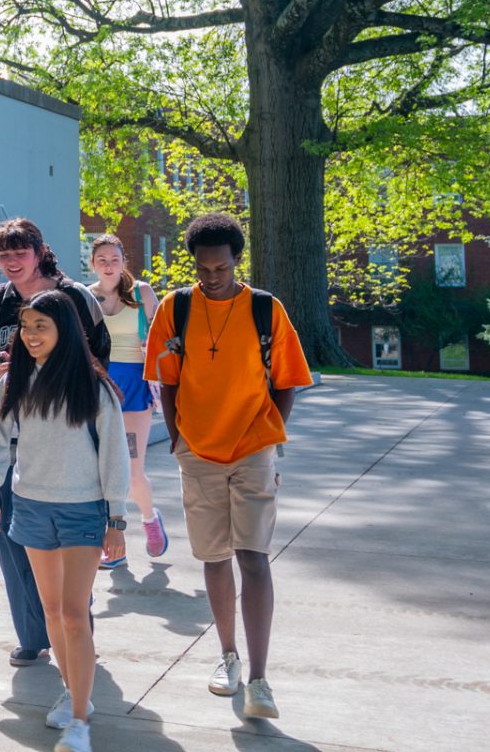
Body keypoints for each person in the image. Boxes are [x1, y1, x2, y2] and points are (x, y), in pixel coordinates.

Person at [146, 213, 313, 722]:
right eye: (203, 268)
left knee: (253, 556)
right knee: (214, 557)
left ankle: (259, 679)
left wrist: (267, 431)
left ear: (237, 260)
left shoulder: (266, 309)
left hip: (253, 449)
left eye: (220, 268)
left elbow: (287, 379)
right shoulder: (176, 308)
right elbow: (167, 380)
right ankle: (228, 657)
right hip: (197, 451)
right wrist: (178, 437)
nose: (212, 276)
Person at [0, 290, 129, 752]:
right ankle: (73, 690)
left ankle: (79, 721)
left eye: (41, 326)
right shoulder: (15, 381)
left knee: (74, 613)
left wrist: (117, 518)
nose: (31, 335)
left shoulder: (93, 386)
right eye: (26, 327)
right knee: (52, 612)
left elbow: (114, 454)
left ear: (65, 330)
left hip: (83, 510)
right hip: (30, 506)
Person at [0, 218, 110, 667]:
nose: (11, 262)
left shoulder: (75, 298)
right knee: (11, 542)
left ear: (40, 252)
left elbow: (101, 358)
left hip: (67, 444)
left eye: (20, 252)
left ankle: (77, 630)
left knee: (69, 545)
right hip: (6, 444)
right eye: (3, 255)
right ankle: (32, 635)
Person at [86, 233, 168, 566]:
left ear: (123, 262)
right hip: (98, 386)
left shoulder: (141, 293)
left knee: (132, 472)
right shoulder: (84, 296)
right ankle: (111, 543)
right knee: (99, 472)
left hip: (134, 386)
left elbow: (165, 337)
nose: (108, 266)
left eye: (114, 259)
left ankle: (150, 519)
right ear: (93, 263)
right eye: (102, 260)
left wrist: (155, 354)